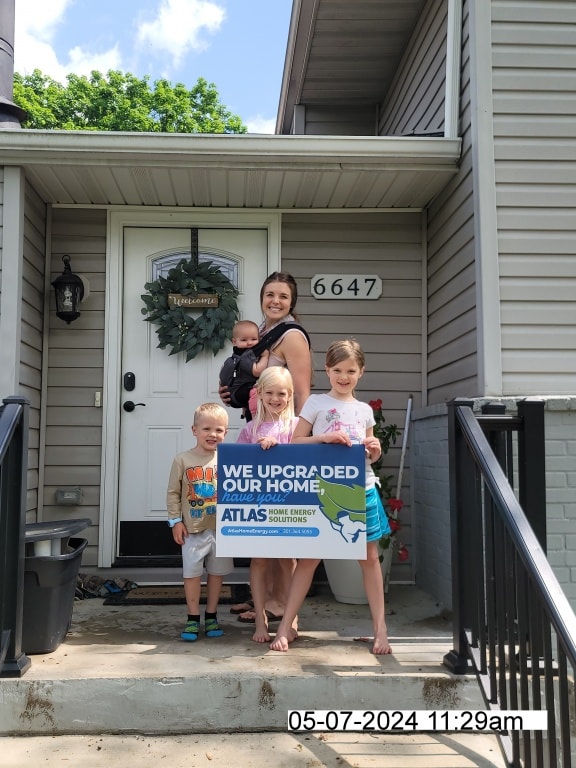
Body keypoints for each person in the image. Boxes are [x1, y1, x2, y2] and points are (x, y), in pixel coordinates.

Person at [270, 339, 393, 656]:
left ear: (361, 372)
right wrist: (323, 437)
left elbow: (369, 451)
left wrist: (375, 450)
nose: (343, 376)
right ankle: (286, 627)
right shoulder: (315, 404)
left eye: (350, 370)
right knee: (309, 559)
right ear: (327, 370)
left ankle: (380, 631)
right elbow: (296, 442)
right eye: (337, 370)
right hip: (323, 490)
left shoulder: (364, 411)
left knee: (368, 559)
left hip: (361, 488)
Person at [221, 272, 313, 622]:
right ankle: (268, 596)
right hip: (260, 431)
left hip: (285, 437)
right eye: (270, 294)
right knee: (268, 521)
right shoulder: (260, 331)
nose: (275, 301)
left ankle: (281, 603)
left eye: (283, 297)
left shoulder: (291, 337)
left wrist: (299, 439)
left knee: (283, 527)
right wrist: (232, 393)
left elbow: (302, 390)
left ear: (292, 303)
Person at [236, 367, 300, 643]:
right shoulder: (250, 429)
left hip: (291, 506)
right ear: (259, 394)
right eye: (270, 393)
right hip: (257, 506)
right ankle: (260, 621)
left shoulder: (296, 426)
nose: (276, 398)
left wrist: (280, 447)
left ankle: (291, 620)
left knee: (287, 561)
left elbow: (305, 457)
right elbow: (237, 464)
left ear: (290, 395)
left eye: (282, 394)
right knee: (259, 560)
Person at [166, 402, 233, 642]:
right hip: (192, 529)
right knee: (192, 574)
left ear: (226, 432)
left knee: (217, 573)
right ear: (194, 430)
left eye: (218, 430)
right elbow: (173, 492)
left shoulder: (228, 459)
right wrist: (175, 521)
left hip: (221, 528)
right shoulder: (182, 460)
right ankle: (193, 617)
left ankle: (212, 614)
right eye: (206, 429)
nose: (212, 434)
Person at [218, 320, 270, 410]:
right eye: (244, 340)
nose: (249, 343)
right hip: (237, 394)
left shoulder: (236, 356)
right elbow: (257, 371)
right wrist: (265, 356)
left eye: (253, 339)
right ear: (234, 342)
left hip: (233, 394)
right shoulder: (244, 356)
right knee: (257, 389)